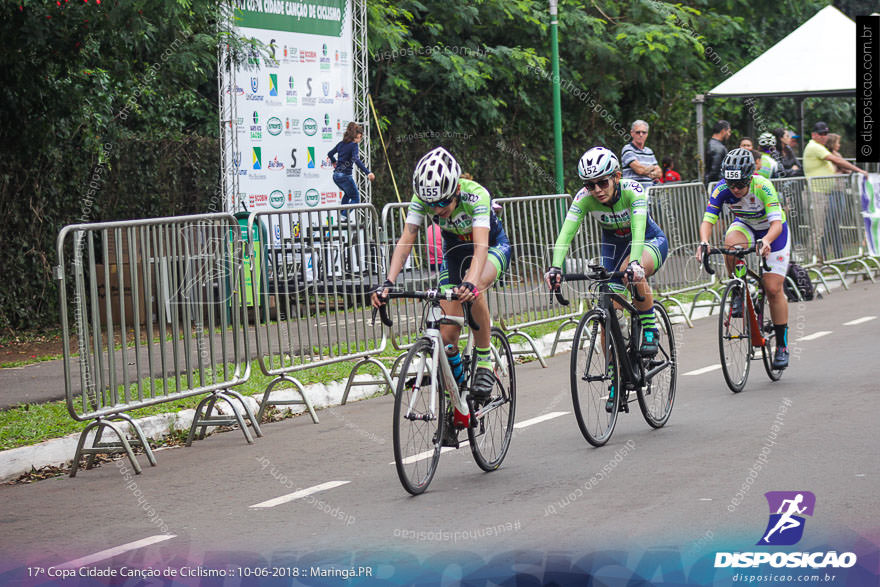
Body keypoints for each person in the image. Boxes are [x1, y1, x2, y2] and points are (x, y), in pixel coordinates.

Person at [372, 147, 511, 400]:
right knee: (446, 338)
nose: (437, 210)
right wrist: (389, 281)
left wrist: (470, 282)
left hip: (491, 247)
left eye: (442, 202)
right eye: (431, 205)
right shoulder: (422, 200)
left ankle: (484, 361)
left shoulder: (475, 195)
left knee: (473, 288)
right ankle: (456, 399)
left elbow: (481, 246)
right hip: (455, 253)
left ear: (456, 190)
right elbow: (407, 239)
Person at [546, 147, 669, 410]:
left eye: (602, 182)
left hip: (647, 241)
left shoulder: (633, 190)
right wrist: (555, 267)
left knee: (631, 274)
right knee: (607, 315)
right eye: (590, 185)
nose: (597, 190)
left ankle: (650, 327)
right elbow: (566, 234)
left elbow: (638, 231)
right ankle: (617, 374)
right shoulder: (584, 198)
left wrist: (635, 263)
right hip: (613, 247)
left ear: (616, 176)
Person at [695, 148, 791, 369]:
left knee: (773, 288)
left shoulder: (764, 186)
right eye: (731, 184)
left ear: (750, 177)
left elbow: (776, 224)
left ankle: (783, 345)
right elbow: (708, 220)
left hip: (772, 231)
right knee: (731, 246)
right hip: (746, 225)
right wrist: (704, 242)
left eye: (740, 185)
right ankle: (739, 289)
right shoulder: (722, 188)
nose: (735, 189)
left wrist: (766, 240)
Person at [328, 122, 375, 219]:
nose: (360, 140)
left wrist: (334, 161)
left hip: (336, 176)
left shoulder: (341, 144)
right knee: (356, 198)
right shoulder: (354, 145)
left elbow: (330, 153)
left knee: (348, 194)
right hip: (345, 176)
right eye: (360, 137)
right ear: (358, 135)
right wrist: (368, 172)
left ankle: (342, 215)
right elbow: (356, 159)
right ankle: (343, 216)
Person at [620, 120, 661, 187]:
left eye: (644, 132)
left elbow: (659, 173)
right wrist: (653, 168)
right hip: (632, 194)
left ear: (647, 134)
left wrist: (647, 171)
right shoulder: (627, 149)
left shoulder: (649, 151)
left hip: (648, 195)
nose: (641, 135)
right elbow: (640, 170)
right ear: (632, 133)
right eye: (638, 132)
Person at [705, 120, 731, 185]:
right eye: (729, 131)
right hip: (716, 185)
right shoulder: (717, 147)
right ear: (723, 131)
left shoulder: (712, 144)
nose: (729, 134)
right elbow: (714, 170)